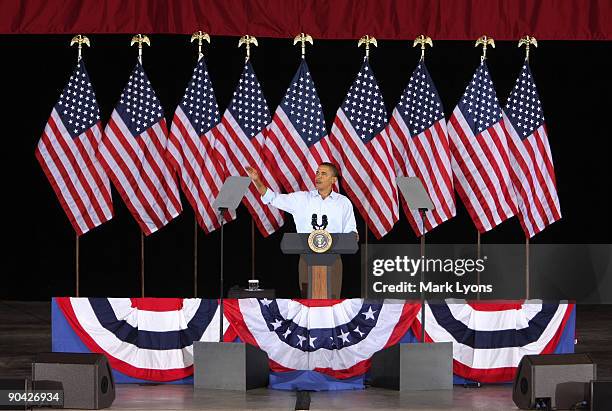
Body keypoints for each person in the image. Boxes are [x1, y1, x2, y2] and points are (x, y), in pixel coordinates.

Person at [246, 163, 358, 298]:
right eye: (317, 172)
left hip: (333, 259)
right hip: (307, 258)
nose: (318, 176)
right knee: (308, 301)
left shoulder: (343, 202)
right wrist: (257, 181)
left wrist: (352, 238)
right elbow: (272, 198)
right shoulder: (302, 199)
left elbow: (351, 232)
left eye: (324, 174)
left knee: (332, 303)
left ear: (333, 180)